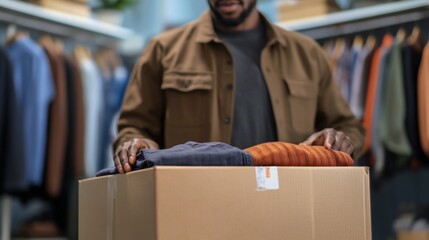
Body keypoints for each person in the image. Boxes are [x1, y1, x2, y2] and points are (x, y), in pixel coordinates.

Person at [113, 0, 365, 174]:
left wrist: (339, 140)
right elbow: (134, 127)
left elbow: (348, 127)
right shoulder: (163, 51)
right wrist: (136, 144)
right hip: (194, 206)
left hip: (287, 207)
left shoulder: (306, 54)